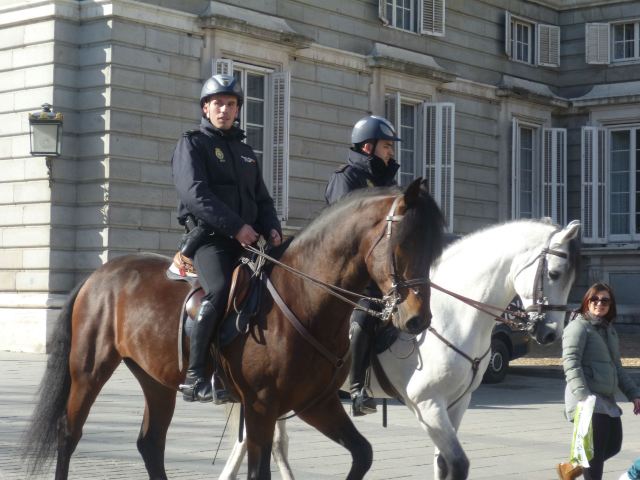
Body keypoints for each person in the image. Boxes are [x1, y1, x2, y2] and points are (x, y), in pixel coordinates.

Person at [171, 74, 282, 403]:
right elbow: (195, 195)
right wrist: (236, 227)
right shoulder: (192, 144)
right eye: (217, 103)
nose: (224, 109)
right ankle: (195, 376)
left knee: (273, 291)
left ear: (238, 110)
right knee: (219, 291)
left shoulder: (247, 152)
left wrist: (272, 226)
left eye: (231, 104)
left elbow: (262, 199)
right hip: (210, 239)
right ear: (206, 109)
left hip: (247, 241)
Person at [325, 115, 401, 416]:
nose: (391, 152)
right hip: (351, 270)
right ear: (368, 147)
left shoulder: (388, 181)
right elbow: (344, 230)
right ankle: (357, 388)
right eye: (386, 146)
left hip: (384, 267)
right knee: (363, 316)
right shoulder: (346, 178)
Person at [557, 283, 640, 480]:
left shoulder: (608, 330)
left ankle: (572, 467)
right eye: (595, 299)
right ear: (587, 301)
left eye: (605, 300)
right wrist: (584, 397)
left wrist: (634, 394)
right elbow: (570, 363)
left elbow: (616, 368)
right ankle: (579, 467)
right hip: (587, 399)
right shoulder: (578, 327)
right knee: (594, 453)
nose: (599, 303)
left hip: (605, 399)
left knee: (613, 445)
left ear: (611, 305)